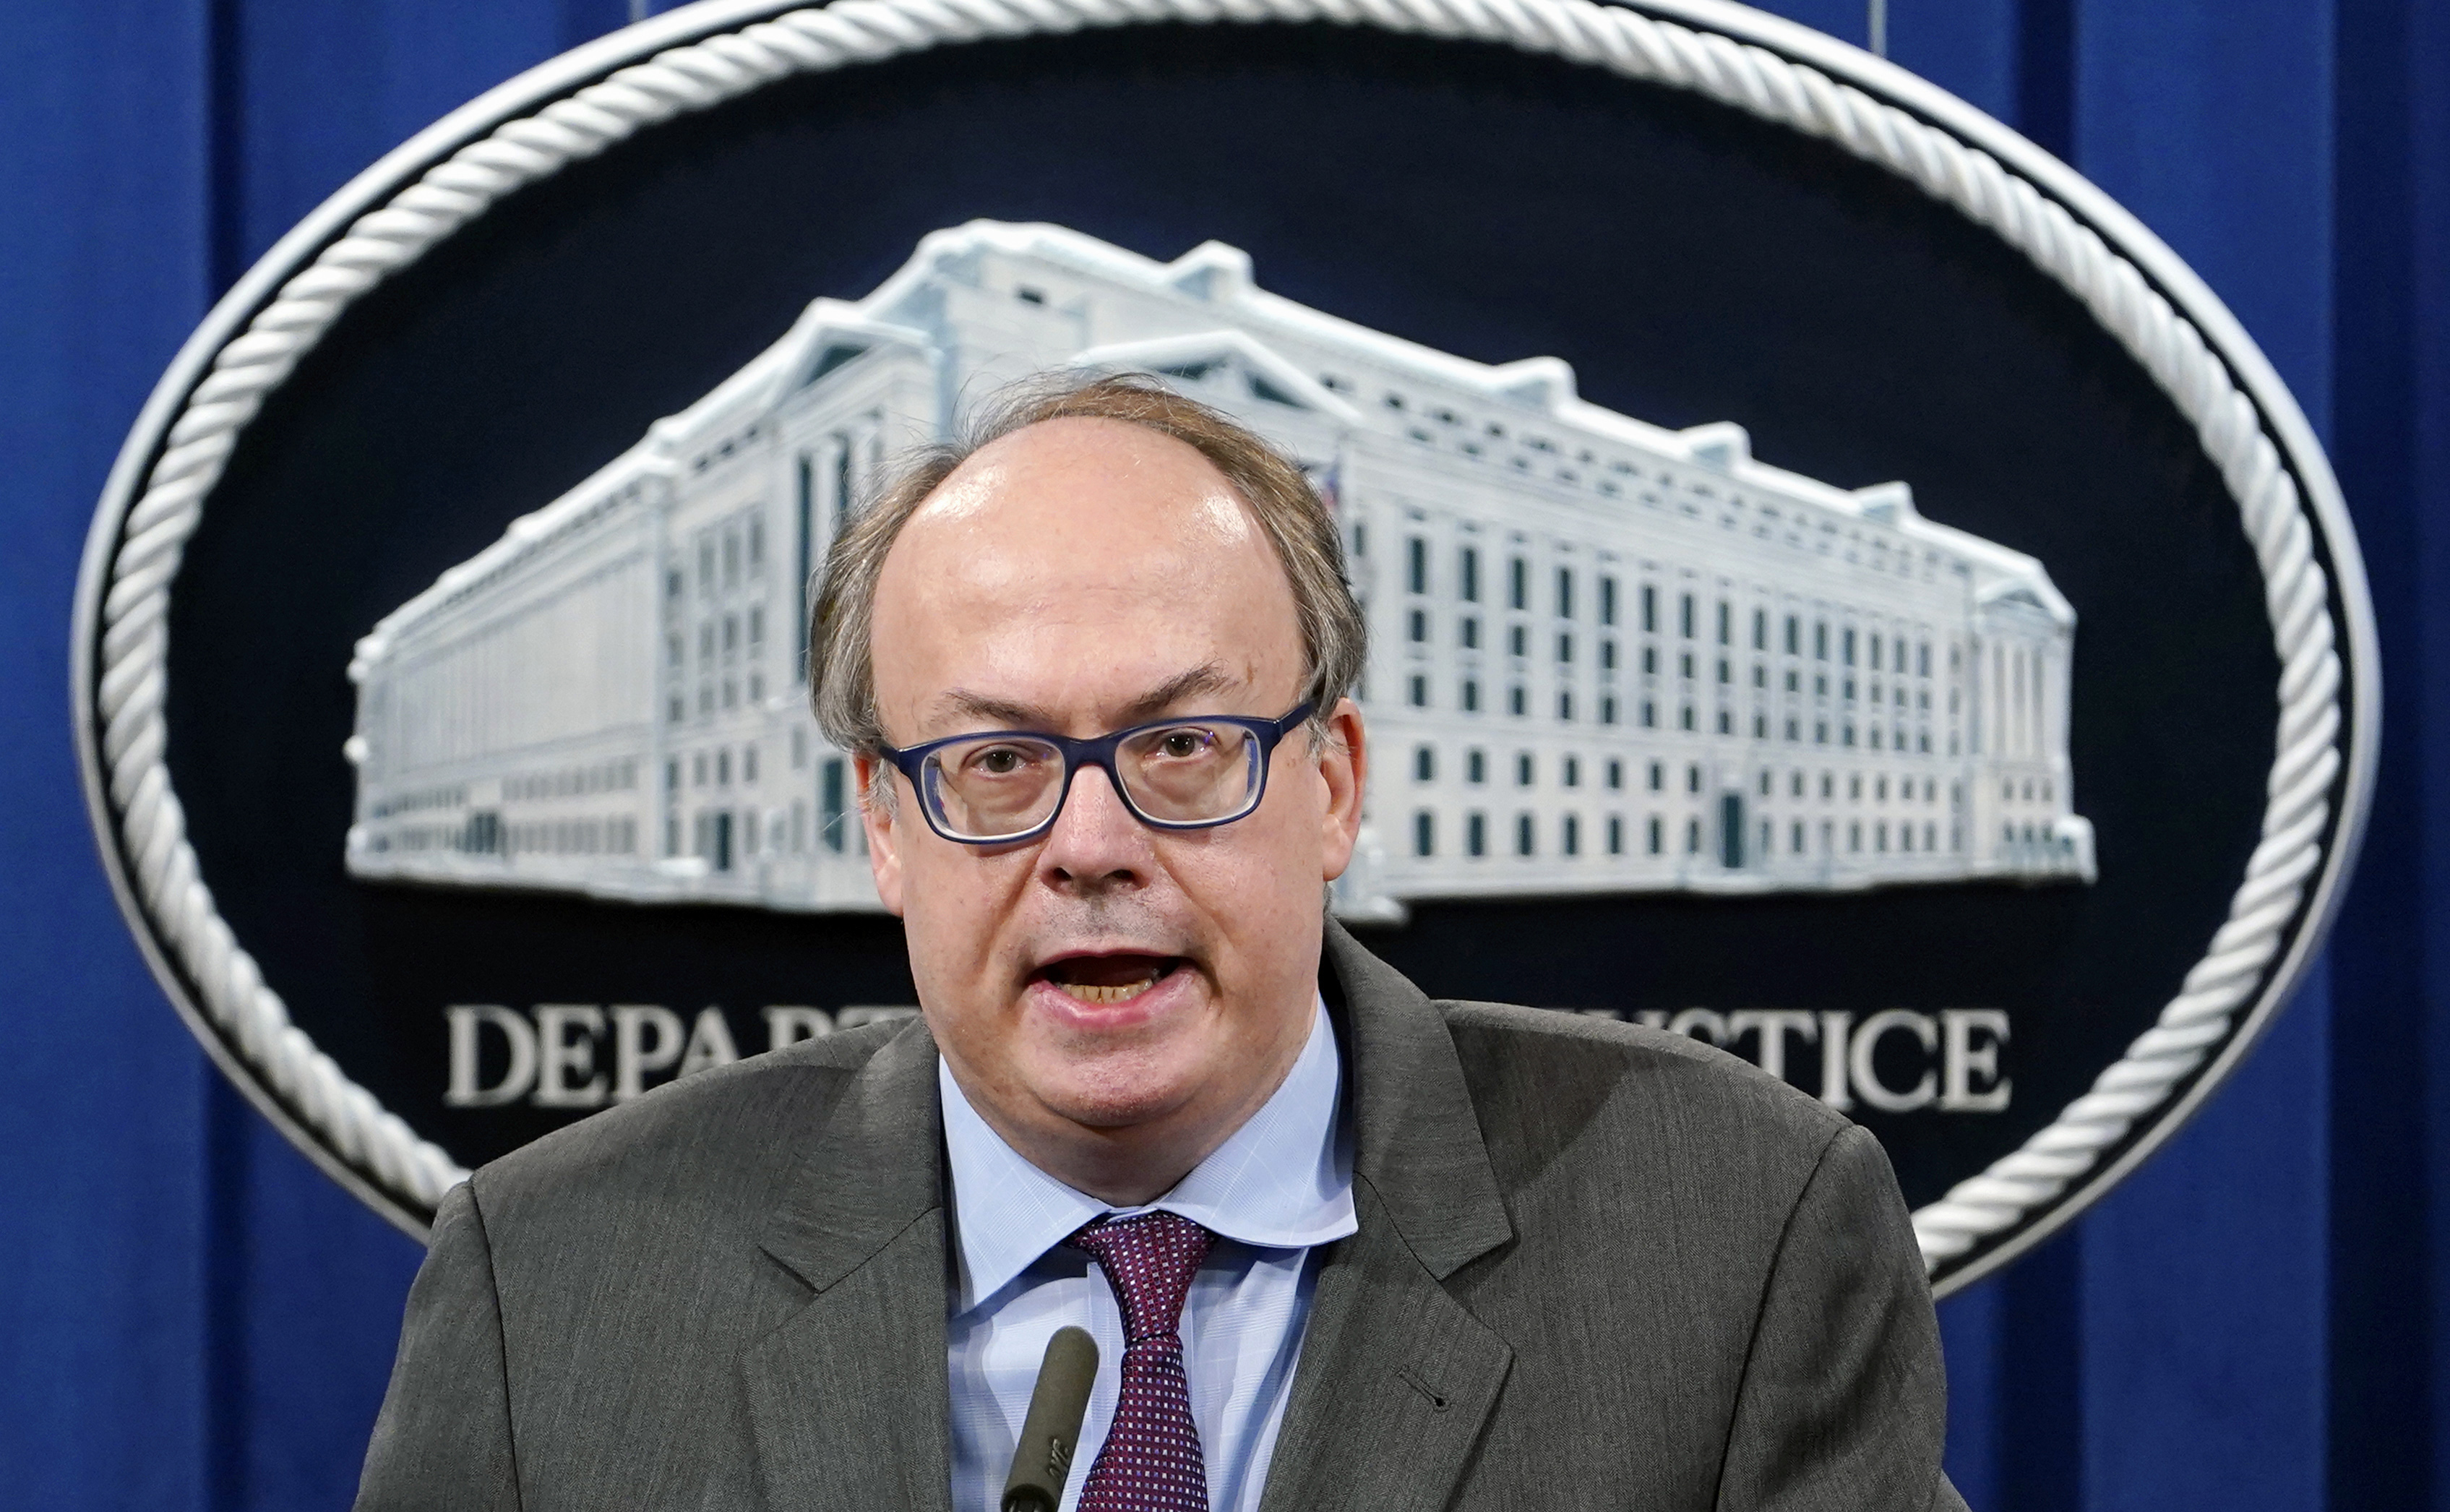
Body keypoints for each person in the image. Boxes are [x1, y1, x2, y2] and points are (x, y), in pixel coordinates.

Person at [357, 374, 1967, 1511]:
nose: (1091, 843)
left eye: (1181, 746)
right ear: (885, 824)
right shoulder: (555, 1289)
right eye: (993, 762)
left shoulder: (1729, 1235)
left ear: (1328, 785)